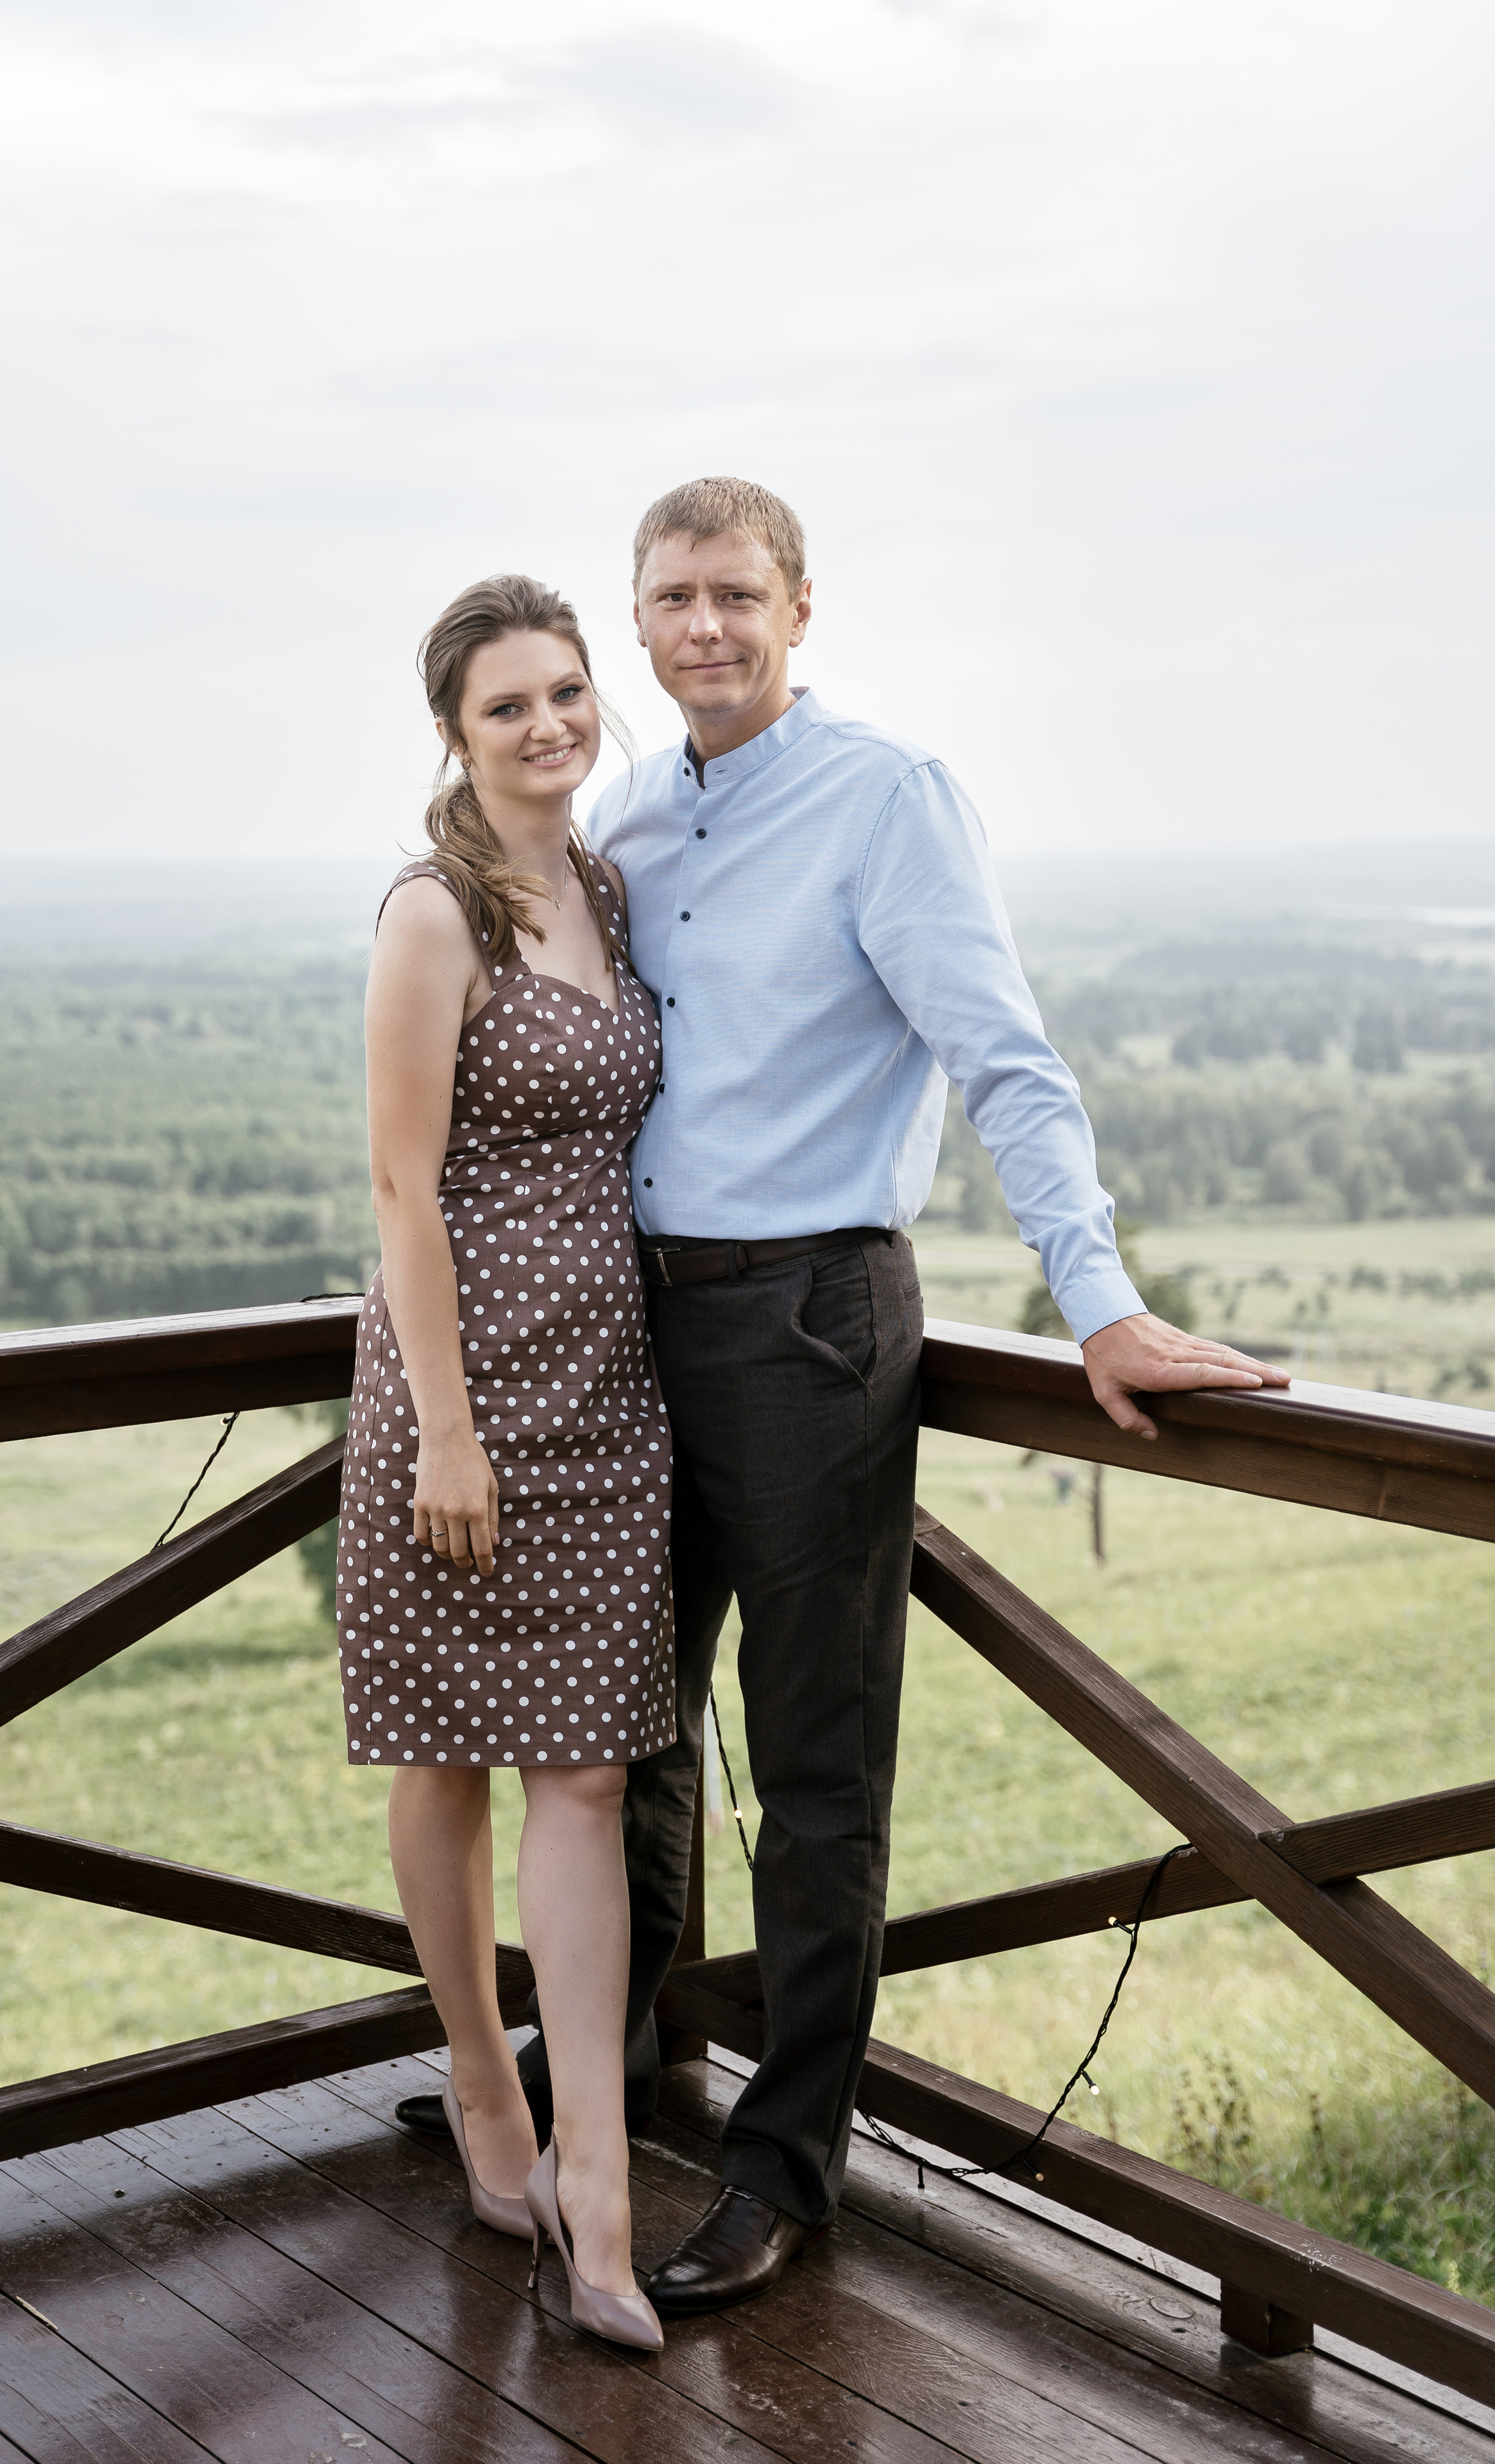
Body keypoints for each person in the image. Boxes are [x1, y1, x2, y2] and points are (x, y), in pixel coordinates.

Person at [397, 479, 1286, 2319]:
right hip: (629, 1334)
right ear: (637, 628)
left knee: (812, 1776)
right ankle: (597, 2087)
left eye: (737, 592)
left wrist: (1101, 1301)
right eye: (673, 598)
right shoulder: (626, 814)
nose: (704, 624)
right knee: (622, 1734)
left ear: (803, 608)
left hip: (811, 1324)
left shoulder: (891, 797)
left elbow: (1006, 1063)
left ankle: (784, 2167)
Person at [334, 572, 671, 2350]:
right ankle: (486, 2094)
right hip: (454, 1398)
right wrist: (446, 1433)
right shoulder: (431, 911)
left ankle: (600, 2188)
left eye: (564, 695)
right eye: (506, 708)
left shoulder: (606, 887)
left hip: (608, 1396)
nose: (547, 727)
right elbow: (402, 1185)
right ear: (455, 736)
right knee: (448, 1758)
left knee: (593, 1783)